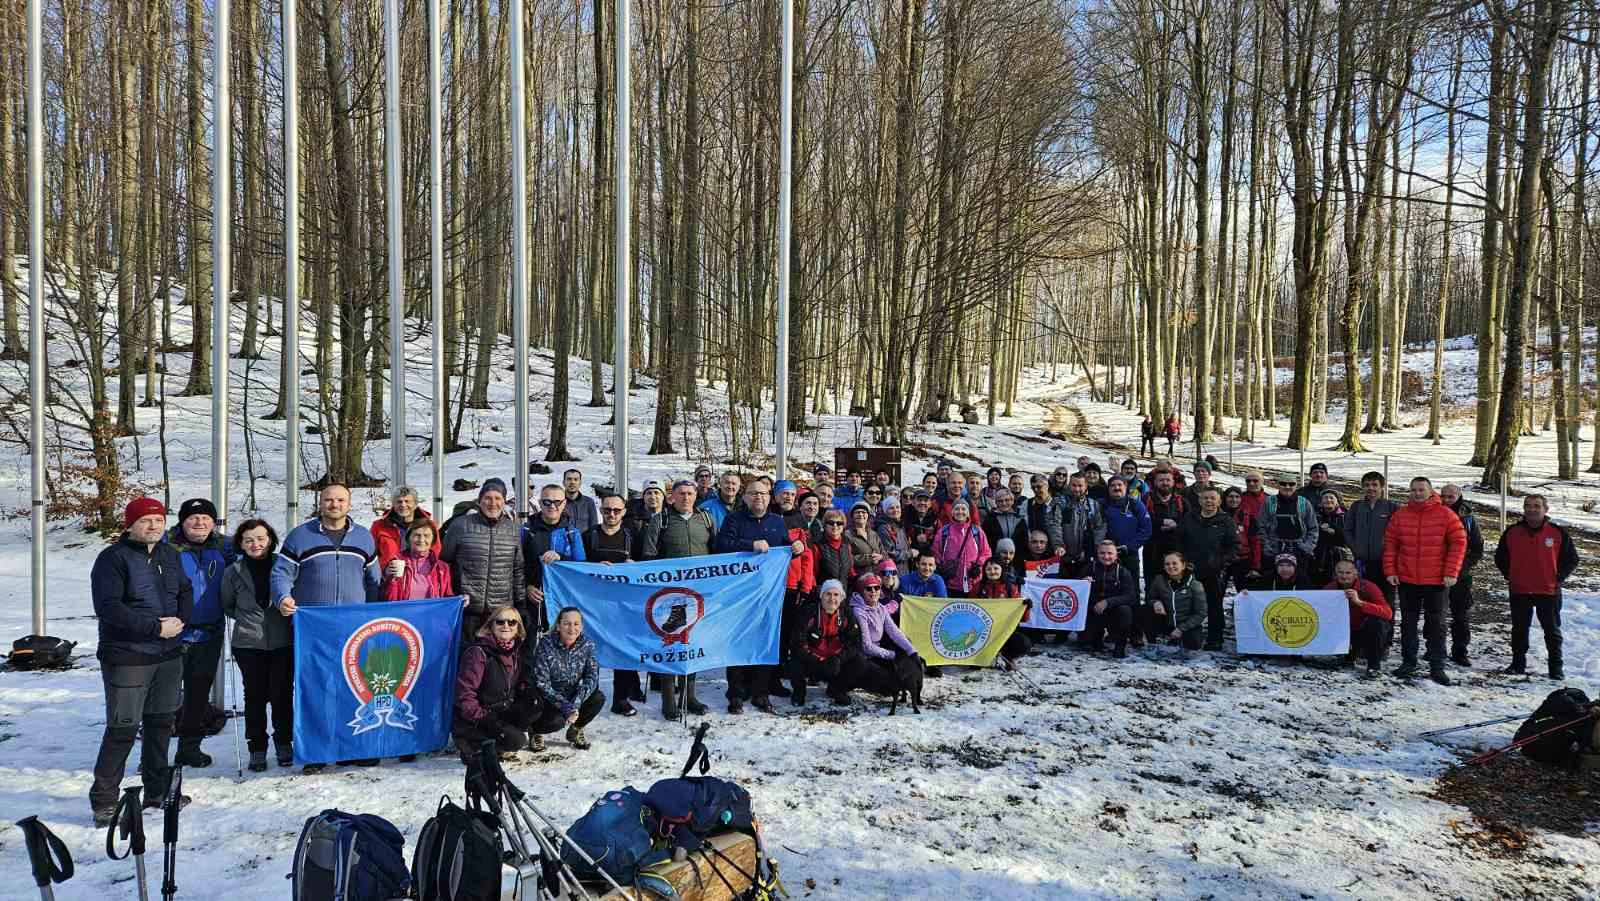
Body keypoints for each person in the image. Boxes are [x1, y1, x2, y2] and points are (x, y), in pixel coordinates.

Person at [90, 498, 193, 826]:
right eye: (146, 520)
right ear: (130, 525)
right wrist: (155, 628)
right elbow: (109, 607)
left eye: (159, 520)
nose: (153, 526)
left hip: (168, 655)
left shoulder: (170, 555)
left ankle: (157, 791)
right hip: (128, 656)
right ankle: (105, 801)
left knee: (160, 725)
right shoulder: (112, 559)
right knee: (123, 729)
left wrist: (180, 621)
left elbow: (186, 591)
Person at [717, 482, 806, 713]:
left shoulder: (777, 521)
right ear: (745, 497)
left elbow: (784, 551)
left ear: (770, 498)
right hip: (740, 594)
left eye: (763, 493)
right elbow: (722, 546)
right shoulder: (733, 520)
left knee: (765, 642)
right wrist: (750, 545)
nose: (759, 497)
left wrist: (795, 548)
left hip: (769, 594)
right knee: (738, 642)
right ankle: (736, 693)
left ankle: (760, 692)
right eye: (753, 493)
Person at [164, 498, 234, 769]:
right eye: (193, 518)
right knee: (162, 699)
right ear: (182, 521)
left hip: (209, 634)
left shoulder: (224, 546)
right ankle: (154, 756)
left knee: (198, 696)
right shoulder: (165, 545)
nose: (199, 522)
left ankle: (189, 748)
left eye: (206, 518)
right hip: (171, 634)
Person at [221, 518, 294, 772]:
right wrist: (248, 619)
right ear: (241, 544)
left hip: (282, 641)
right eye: (249, 540)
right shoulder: (233, 571)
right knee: (254, 696)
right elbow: (227, 604)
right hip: (249, 643)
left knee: (282, 694)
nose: (255, 544)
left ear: (270, 540)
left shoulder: (282, 565)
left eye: (261, 539)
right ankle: (257, 748)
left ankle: (284, 742)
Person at [640, 481, 716, 718]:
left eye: (690, 493)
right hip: (668, 594)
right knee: (670, 644)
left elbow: (716, 553)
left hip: (697, 593)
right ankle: (668, 700)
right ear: (672, 496)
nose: (686, 497)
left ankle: (689, 696)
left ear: (696, 495)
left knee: (691, 643)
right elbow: (649, 555)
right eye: (681, 493)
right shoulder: (661, 520)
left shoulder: (706, 518)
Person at [1382, 477, 1467, 685]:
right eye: (1413, 490)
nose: (1417, 493)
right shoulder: (1401, 515)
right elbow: (1391, 544)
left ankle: (1437, 665)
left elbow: (1458, 543)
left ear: (1430, 492)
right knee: (1408, 623)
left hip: (1436, 580)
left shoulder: (1446, 514)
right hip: (1407, 579)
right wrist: (1390, 570)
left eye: (1421, 490)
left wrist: (1451, 572)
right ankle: (1408, 661)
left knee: (1437, 624)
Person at [1494, 494, 1579, 679]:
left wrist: (1558, 578)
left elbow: (1572, 559)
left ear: (1545, 509)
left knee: (1552, 631)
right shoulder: (1512, 532)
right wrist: (1510, 575)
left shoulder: (1557, 532)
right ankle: (1517, 664)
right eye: (1528, 506)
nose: (1532, 509)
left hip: (1548, 590)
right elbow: (1500, 557)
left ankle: (1556, 668)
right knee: (1519, 629)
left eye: (1536, 506)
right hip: (1520, 590)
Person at [272, 483, 381, 611]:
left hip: (353, 617)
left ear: (349, 505)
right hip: (311, 617)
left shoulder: (363, 536)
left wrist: (372, 610)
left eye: (341, 500)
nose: (334, 504)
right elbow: (282, 574)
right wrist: (283, 597)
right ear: (320, 504)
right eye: (328, 500)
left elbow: (374, 580)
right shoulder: (300, 535)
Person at [454, 606, 542, 764]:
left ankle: (499, 741)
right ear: (491, 626)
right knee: (517, 741)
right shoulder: (478, 653)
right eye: (500, 622)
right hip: (477, 717)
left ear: (518, 628)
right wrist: (484, 718)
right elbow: (465, 695)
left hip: (500, 710)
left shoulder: (515, 652)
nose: (506, 625)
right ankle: (472, 744)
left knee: (534, 703)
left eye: (512, 622)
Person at [441, 478, 526, 639]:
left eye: (497, 498)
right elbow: (445, 563)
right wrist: (451, 596)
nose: (492, 503)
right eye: (487, 498)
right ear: (479, 501)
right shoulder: (460, 525)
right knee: (468, 652)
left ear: (504, 501)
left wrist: (521, 604)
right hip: (467, 609)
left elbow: (517, 569)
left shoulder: (513, 529)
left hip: (500, 614)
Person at [583, 494, 644, 716]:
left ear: (624, 512)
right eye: (607, 510)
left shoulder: (632, 536)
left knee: (622, 651)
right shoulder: (588, 536)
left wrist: (633, 566)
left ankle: (621, 699)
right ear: (601, 510)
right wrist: (594, 567)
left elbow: (645, 567)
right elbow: (576, 565)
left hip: (622, 605)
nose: (611, 514)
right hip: (593, 604)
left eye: (616, 510)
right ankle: (590, 698)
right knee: (591, 652)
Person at [528, 607, 604, 750]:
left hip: (572, 694)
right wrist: (565, 706)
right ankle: (536, 731)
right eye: (567, 623)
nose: (572, 628)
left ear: (581, 626)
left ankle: (576, 729)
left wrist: (576, 702)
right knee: (556, 722)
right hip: (549, 698)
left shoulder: (587, 644)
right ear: (558, 626)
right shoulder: (546, 644)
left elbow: (592, 676)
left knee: (598, 698)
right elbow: (541, 683)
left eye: (576, 624)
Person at [1176, 486, 1237, 650]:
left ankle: (1215, 639)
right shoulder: (1189, 518)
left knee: (1214, 605)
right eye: (1205, 498)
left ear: (1219, 501)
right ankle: (1186, 635)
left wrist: (1221, 564)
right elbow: (1179, 540)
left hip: (1214, 571)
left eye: (1212, 498)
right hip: (1190, 569)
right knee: (1188, 604)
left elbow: (1233, 546)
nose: (1209, 501)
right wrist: (1183, 561)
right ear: (1199, 500)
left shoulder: (1226, 521)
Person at [522, 484, 587, 633]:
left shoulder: (571, 532)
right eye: (547, 502)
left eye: (557, 502)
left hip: (562, 599)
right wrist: (526, 587)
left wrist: (561, 557)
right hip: (534, 600)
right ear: (540, 503)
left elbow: (581, 567)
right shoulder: (527, 530)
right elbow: (516, 564)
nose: (552, 506)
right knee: (533, 642)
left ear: (564, 503)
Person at [787, 581, 863, 706]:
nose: (832, 599)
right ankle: (799, 691)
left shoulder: (846, 613)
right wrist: (815, 659)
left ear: (841, 598)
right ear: (821, 596)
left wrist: (839, 658)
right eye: (828, 594)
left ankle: (836, 689)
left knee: (858, 661)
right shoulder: (809, 612)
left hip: (835, 661)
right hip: (813, 659)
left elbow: (855, 643)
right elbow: (797, 642)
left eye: (836, 595)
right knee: (794, 662)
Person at [1438, 483, 1484, 667]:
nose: (1447, 500)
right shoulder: (1434, 513)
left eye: (1451, 497)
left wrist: (1462, 566)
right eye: (1444, 496)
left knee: (1460, 614)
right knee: (1436, 614)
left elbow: (1477, 547)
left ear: (1459, 496)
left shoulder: (1468, 518)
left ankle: (1460, 650)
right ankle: (1435, 648)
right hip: (1435, 571)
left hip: (1460, 574)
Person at [1327, 558, 1393, 679]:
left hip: (1365, 632)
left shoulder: (1369, 587)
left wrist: (1360, 603)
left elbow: (1388, 613)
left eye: (1348, 573)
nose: (1344, 576)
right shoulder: (1330, 588)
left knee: (1377, 622)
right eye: (1340, 572)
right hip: (1344, 633)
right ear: (1335, 574)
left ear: (1355, 573)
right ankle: (1347, 655)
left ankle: (1373, 665)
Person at [1079, 540, 1139, 657]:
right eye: (1102, 553)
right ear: (1097, 554)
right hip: (1093, 611)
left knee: (1125, 610)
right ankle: (1095, 638)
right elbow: (1074, 592)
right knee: (1086, 641)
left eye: (1110, 553)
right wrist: (1082, 583)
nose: (1106, 557)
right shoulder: (1088, 568)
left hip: (1113, 611)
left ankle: (1120, 644)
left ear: (1116, 555)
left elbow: (1131, 596)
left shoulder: (1123, 572)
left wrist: (1108, 602)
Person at [1345, 472, 1397, 606]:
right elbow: (1348, 530)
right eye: (1367, 485)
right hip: (1362, 562)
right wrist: (1356, 549)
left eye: (1375, 485)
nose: (1371, 488)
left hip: (1384, 563)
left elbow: (1398, 534)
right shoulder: (1356, 507)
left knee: (1386, 600)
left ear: (1382, 487)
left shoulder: (1391, 507)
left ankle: (1388, 620)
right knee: (1363, 598)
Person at [969, 557, 1032, 666]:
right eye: (989, 569)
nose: (992, 572)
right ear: (984, 571)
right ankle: (978, 657)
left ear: (1002, 569)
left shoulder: (1010, 588)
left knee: (1024, 643)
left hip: (1004, 631)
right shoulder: (978, 587)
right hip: (981, 631)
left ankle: (1008, 656)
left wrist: (1026, 608)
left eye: (996, 568)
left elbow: (1023, 619)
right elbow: (969, 610)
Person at [1145, 550, 1205, 650]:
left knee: (1193, 643)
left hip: (1185, 624)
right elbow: (1150, 598)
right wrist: (1156, 603)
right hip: (1166, 621)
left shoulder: (1195, 585)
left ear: (1183, 565)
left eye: (1174, 563)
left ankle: (1180, 639)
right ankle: (1153, 643)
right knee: (1145, 610)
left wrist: (1181, 629)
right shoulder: (1159, 580)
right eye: (1167, 564)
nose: (1171, 566)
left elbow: (1201, 613)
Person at [381, 519, 454, 600]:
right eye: (417, 535)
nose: (421, 540)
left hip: (432, 609)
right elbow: (388, 600)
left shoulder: (442, 568)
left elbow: (448, 598)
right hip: (404, 608)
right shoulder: (395, 563)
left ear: (433, 540)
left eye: (426, 536)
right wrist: (390, 579)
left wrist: (461, 600)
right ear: (409, 538)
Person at [372, 486, 439, 573]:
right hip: (390, 576)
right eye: (399, 502)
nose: (403, 505)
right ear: (393, 504)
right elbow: (371, 556)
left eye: (407, 501)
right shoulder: (379, 526)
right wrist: (383, 568)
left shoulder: (429, 525)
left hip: (421, 575)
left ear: (415, 504)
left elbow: (435, 551)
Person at [1258, 474, 1317, 570]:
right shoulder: (1269, 502)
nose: (1287, 487)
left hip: (1299, 550)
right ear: (1278, 485)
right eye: (1283, 484)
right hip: (1274, 550)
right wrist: (1267, 546)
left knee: (1299, 578)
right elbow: (1260, 526)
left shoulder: (1304, 503)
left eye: (1291, 484)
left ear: (1296, 485)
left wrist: (1307, 547)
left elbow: (1313, 528)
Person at [933, 499, 991, 596]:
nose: (960, 512)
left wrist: (979, 564)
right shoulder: (944, 532)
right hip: (950, 582)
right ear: (952, 512)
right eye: (957, 509)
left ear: (968, 513)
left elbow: (986, 551)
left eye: (963, 509)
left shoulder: (977, 531)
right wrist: (942, 565)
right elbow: (935, 551)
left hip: (974, 582)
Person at [1102, 477, 1152, 585]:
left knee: (1132, 586)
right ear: (1108, 488)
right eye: (1113, 485)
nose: (1117, 488)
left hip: (1129, 554)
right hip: (1106, 555)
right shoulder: (1102, 504)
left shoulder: (1135, 504)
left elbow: (1146, 529)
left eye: (1120, 485)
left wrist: (1130, 546)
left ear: (1125, 487)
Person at [1142, 468, 1188, 585]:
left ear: (1173, 482)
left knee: (1175, 582)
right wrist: (1160, 522)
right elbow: (1141, 520)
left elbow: (1189, 522)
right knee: (1152, 583)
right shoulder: (1146, 499)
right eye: (1161, 480)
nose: (1165, 483)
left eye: (1168, 480)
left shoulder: (1181, 501)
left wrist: (1176, 524)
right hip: (1152, 549)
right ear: (1155, 482)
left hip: (1175, 549)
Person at [1059, 473, 1106, 572]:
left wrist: (1092, 548)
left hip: (1086, 556)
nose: (1077, 489)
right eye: (1074, 485)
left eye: (1080, 486)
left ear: (1086, 486)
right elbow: (1054, 525)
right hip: (1063, 555)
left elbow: (1100, 527)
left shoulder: (1093, 505)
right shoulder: (1061, 502)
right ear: (1069, 485)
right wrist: (1058, 545)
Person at [1223, 487, 1262, 595]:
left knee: (1244, 594)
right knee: (1217, 593)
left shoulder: (1248, 517)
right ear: (1225, 498)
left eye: (1237, 497)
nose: (1234, 500)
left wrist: (1256, 566)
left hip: (1243, 560)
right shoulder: (1218, 515)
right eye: (1230, 496)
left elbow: (1255, 542)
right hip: (1222, 560)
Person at [1311, 490, 1348, 585]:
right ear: (1321, 502)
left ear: (1337, 501)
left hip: (1339, 556)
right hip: (1318, 556)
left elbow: (1347, 536)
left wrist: (1334, 530)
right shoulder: (1315, 515)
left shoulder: (1345, 515)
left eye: (1331, 498)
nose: (1328, 500)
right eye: (1325, 498)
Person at [814, 509, 856, 588]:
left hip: (843, 591)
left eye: (839, 523)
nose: (835, 526)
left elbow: (850, 570)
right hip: (824, 591)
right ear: (825, 526)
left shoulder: (847, 544)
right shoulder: (817, 546)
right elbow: (813, 573)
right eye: (831, 523)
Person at [843, 502, 887, 574]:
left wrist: (881, 557)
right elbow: (846, 558)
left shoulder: (874, 534)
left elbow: (884, 553)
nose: (860, 514)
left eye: (863, 512)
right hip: (860, 576)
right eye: (857, 512)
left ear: (868, 516)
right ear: (852, 516)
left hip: (878, 576)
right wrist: (869, 559)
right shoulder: (847, 535)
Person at [904, 489, 943, 563]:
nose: (922, 503)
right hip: (909, 557)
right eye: (919, 500)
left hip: (929, 559)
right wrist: (915, 538)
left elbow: (940, 539)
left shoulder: (935, 519)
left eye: (925, 500)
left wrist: (928, 539)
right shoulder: (905, 517)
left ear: (930, 504)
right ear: (913, 502)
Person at [875, 496, 912, 568]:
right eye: (891, 508)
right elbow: (889, 553)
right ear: (885, 511)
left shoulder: (900, 525)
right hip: (892, 569)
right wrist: (910, 554)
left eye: (897, 507)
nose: (895, 510)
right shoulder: (883, 528)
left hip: (904, 567)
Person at [561, 469, 600, 534]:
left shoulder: (589, 502)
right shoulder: (558, 502)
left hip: (584, 539)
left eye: (576, 479)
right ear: (563, 482)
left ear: (580, 483)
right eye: (569, 479)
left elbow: (594, 527)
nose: (572, 482)